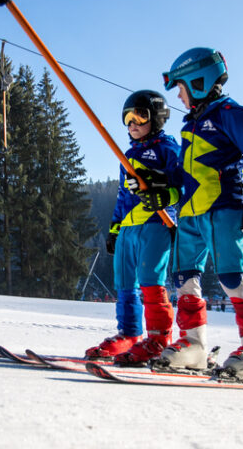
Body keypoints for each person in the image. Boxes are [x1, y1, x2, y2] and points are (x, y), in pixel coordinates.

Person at [153, 47, 243, 381]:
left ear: (198, 81)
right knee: (184, 280)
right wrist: (164, 194)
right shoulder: (191, 125)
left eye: (180, 88)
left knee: (231, 278)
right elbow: (184, 175)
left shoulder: (229, 114)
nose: (178, 96)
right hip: (190, 215)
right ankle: (193, 345)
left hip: (223, 209)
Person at [85, 90, 183, 366]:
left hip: (155, 222)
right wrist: (115, 228)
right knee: (125, 283)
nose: (132, 123)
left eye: (139, 116)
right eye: (127, 118)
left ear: (158, 118)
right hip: (129, 227)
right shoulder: (127, 154)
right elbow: (121, 196)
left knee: (150, 281)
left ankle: (158, 339)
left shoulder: (169, 149)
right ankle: (129, 333)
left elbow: (182, 185)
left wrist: (160, 185)